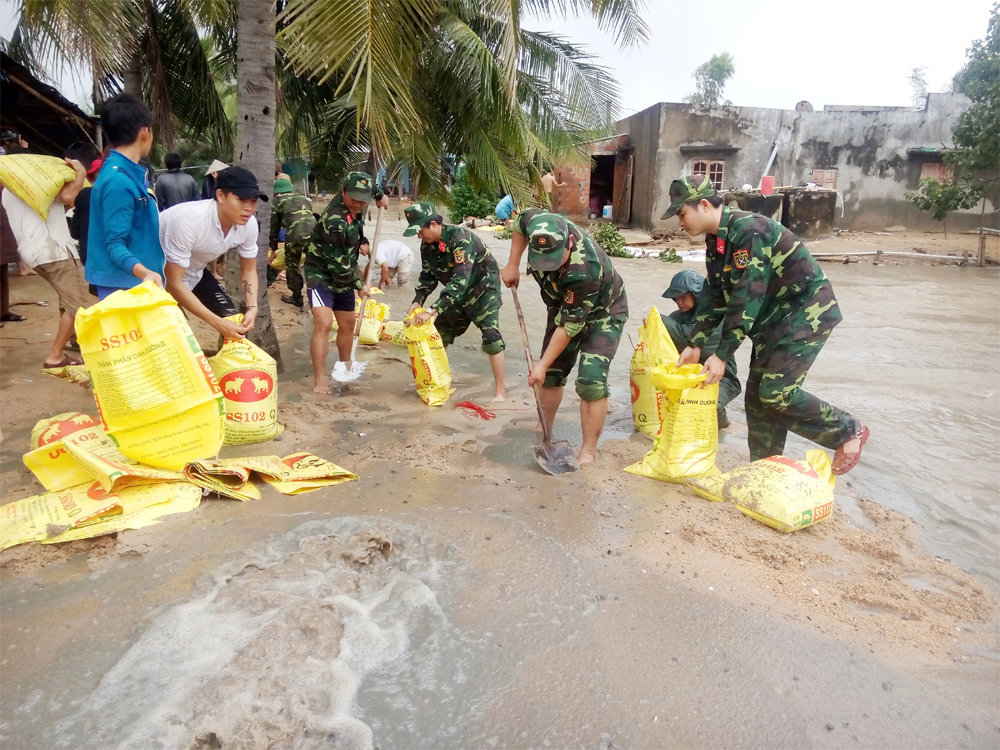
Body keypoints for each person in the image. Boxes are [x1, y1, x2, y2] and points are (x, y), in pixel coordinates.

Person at [665, 174, 868, 474]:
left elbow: (747, 297)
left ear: (704, 204)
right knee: (757, 401)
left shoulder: (749, 231)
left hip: (806, 312)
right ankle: (765, 472)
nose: (680, 223)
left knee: (776, 393)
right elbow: (714, 296)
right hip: (772, 322)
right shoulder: (717, 242)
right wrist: (696, 343)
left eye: (682, 213)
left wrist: (721, 355)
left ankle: (848, 430)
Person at [501, 210, 628, 465]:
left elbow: (570, 327)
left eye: (555, 259)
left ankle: (588, 451)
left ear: (569, 242)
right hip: (562, 307)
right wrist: (513, 263)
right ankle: (545, 429)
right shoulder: (536, 223)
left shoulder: (585, 270)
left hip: (604, 313)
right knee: (552, 375)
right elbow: (519, 223)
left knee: (590, 382)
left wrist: (541, 365)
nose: (550, 265)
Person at [403, 202, 506, 402]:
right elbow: (428, 277)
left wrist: (432, 311)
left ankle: (500, 393)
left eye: (420, 231)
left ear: (433, 224)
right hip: (455, 292)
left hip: (483, 290)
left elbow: (460, 280)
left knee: (491, 337)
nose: (418, 236)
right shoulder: (427, 245)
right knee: (439, 335)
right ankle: (437, 381)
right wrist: (418, 301)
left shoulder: (461, 240)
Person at [304, 171, 389, 394]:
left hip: (345, 271)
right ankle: (320, 380)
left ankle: (346, 365)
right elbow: (338, 267)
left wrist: (381, 196)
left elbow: (372, 189)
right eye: (354, 200)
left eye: (364, 200)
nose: (359, 204)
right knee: (323, 323)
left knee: (348, 324)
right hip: (322, 273)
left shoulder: (359, 203)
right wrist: (360, 286)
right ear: (343, 193)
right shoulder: (334, 221)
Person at [160, 166, 267, 341]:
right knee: (174, 333)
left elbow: (249, 269)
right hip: (159, 274)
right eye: (241, 199)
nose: (249, 208)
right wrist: (216, 322)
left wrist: (252, 307)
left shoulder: (249, 224)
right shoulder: (189, 221)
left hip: (195, 271)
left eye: (254, 201)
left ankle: (226, 366)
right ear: (220, 196)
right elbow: (173, 282)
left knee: (233, 321)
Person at [2, 157, 90, 367]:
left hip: (34, 253)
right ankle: (55, 356)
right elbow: (68, 197)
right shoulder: (42, 185)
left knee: (67, 297)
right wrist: (81, 174)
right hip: (55, 250)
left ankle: (74, 339)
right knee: (79, 301)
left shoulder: (8, 191)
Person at [86, 93, 163, 299]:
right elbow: (114, 243)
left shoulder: (127, 173)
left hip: (137, 280)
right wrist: (145, 272)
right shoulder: (118, 180)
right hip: (125, 284)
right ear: (145, 132)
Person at [660, 269, 740, 428]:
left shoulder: (714, 318)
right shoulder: (676, 317)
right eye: (675, 298)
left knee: (711, 407)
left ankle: (724, 428)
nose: (678, 301)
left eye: (683, 296)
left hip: (721, 377)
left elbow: (687, 340)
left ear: (696, 294)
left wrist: (656, 318)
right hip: (689, 375)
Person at [269, 177, 315, 308]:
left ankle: (297, 298)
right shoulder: (303, 198)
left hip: (295, 235)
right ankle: (316, 298)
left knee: (292, 265)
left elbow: (274, 228)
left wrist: (273, 250)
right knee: (314, 264)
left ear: (276, 192)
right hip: (315, 234)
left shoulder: (277, 201)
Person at [67, 158, 103, 298]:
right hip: (115, 257)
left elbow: (75, 233)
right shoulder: (120, 193)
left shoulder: (84, 195)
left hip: (90, 254)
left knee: (99, 297)